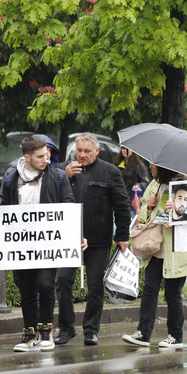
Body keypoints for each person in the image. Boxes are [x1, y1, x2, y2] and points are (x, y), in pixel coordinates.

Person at [0, 136, 76, 352]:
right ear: (27, 157)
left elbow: (68, 208)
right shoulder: (11, 179)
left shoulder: (58, 177)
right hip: (21, 245)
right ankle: (29, 334)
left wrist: (77, 236)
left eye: (47, 155)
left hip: (48, 244)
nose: (46, 159)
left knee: (45, 284)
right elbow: (0, 213)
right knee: (27, 289)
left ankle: (45, 331)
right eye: (40, 156)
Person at [54, 133, 131, 346]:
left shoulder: (110, 172)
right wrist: (63, 175)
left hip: (99, 239)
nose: (82, 155)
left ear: (97, 151)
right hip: (69, 239)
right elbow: (48, 194)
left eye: (87, 151)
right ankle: (66, 328)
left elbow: (122, 205)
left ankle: (91, 329)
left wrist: (122, 235)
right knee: (62, 280)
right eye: (79, 151)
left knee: (95, 286)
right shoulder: (62, 170)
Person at [121, 165, 187, 349]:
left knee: (173, 292)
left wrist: (177, 212)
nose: (150, 167)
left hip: (177, 249)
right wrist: (149, 206)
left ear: (162, 167)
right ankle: (143, 333)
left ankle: (176, 336)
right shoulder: (154, 184)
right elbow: (143, 216)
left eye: (153, 166)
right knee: (150, 288)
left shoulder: (185, 183)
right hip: (155, 245)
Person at [114, 146, 150, 217]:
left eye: (128, 149)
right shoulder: (117, 164)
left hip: (132, 204)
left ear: (132, 150)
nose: (125, 151)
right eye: (123, 148)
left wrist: (139, 185)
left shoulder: (139, 166)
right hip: (118, 203)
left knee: (131, 226)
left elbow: (146, 182)